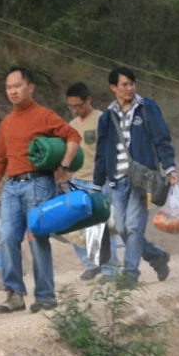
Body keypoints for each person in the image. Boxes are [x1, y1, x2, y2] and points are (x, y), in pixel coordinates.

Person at [0, 67, 81, 314]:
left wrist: (64, 165)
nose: (13, 91)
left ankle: (45, 296)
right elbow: (0, 158)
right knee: (7, 238)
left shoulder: (43, 116)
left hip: (38, 184)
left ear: (30, 87)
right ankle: (14, 295)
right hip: (11, 187)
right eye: (8, 87)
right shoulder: (6, 123)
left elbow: (72, 136)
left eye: (17, 86)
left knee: (37, 238)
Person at [94, 67, 177, 289]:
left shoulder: (146, 108)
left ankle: (130, 274)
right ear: (113, 88)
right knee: (121, 228)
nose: (130, 88)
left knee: (133, 227)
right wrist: (97, 182)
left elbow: (161, 138)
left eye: (132, 84)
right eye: (124, 85)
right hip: (116, 182)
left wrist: (169, 168)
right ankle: (157, 257)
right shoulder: (107, 117)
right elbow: (101, 152)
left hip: (142, 180)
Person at [65, 82, 120, 280]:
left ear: (89, 100)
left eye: (78, 105)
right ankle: (91, 263)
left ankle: (110, 269)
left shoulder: (103, 120)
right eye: (71, 107)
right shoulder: (71, 126)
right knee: (73, 226)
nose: (75, 110)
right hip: (77, 180)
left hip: (99, 181)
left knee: (103, 226)